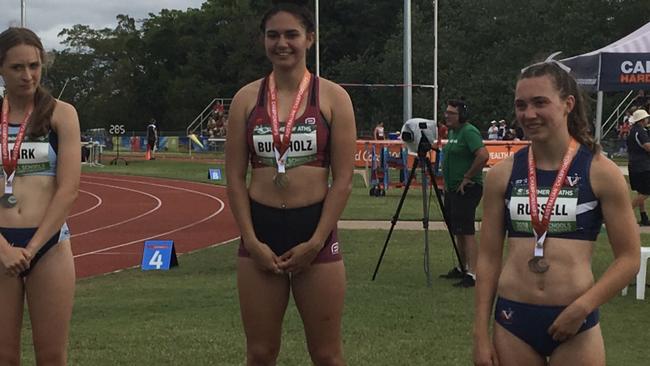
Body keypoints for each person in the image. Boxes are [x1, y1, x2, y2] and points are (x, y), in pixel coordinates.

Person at [473, 61, 640, 366]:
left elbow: (629, 258)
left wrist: (583, 307)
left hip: (576, 319)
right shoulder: (502, 175)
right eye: (521, 105)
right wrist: (480, 335)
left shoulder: (602, 172)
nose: (528, 114)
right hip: (513, 321)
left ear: (568, 104)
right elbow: (487, 259)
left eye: (540, 102)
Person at [225, 1, 356, 365]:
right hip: (260, 232)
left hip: (315, 230)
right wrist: (251, 241)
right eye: (273, 35)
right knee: (260, 352)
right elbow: (235, 178)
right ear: (263, 41)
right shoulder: (245, 100)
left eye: (292, 34)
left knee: (327, 354)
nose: (282, 43)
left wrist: (316, 242)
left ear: (310, 39)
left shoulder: (333, 98)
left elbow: (343, 178)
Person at [0, 27, 81, 365]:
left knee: (51, 355)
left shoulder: (61, 114)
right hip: (0, 246)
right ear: (1, 69)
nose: (28, 75)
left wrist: (31, 249)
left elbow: (68, 189)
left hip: (48, 247)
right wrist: (4, 249)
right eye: (17, 67)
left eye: (34, 65)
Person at [440, 99, 489, 287]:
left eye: (451, 113)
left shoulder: (469, 132)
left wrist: (467, 177)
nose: (447, 116)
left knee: (466, 230)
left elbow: (483, 155)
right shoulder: (453, 132)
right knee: (457, 229)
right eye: (447, 112)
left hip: (467, 188)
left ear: (462, 115)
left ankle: (473, 273)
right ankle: (462, 266)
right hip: (453, 188)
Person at [626, 108, 650, 226]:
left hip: (634, 165)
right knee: (646, 192)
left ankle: (644, 216)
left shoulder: (632, 131)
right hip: (643, 166)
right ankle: (625, 213)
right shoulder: (641, 131)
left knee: (641, 191)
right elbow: (647, 146)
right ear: (642, 120)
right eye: (646, 118)